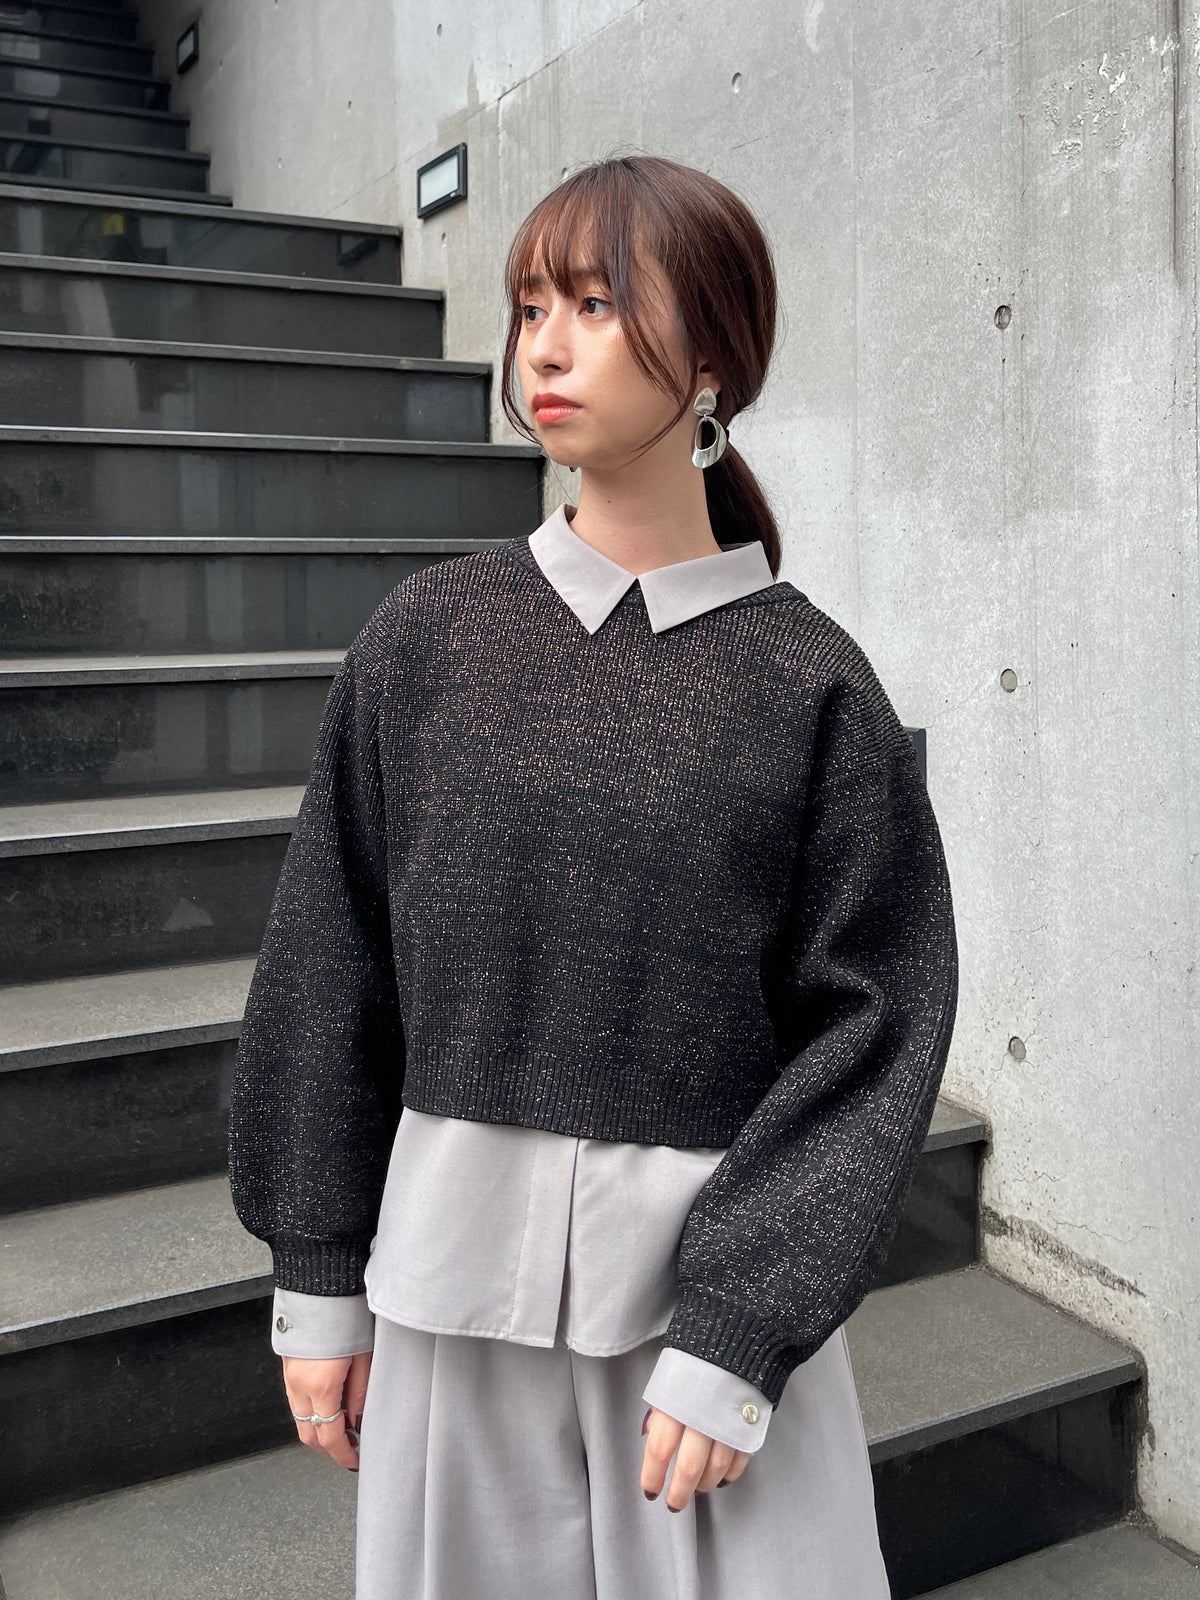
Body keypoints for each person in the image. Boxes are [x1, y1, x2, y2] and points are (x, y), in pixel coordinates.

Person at [227, 152, 959, 1599]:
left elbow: (877, 1025)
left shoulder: (812, 685)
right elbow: (328, 959)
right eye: (528, 307)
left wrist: (745, 1319)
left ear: (715, 357)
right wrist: (316, 1268)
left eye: (597, 305)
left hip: (703, 1333)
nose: (543, 350)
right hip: (446, 1298)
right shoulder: (425, 640)